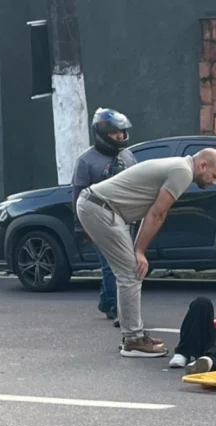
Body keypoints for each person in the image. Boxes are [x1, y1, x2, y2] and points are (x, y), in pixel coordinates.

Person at [76, 148, 216, 357]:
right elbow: (157, 212)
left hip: (99, 207)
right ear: (202, 165)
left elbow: (152, 213)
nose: (214, 182)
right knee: (131, 272)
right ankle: (134, 341)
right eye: (214, 176)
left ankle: (133, 336)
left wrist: (139, 249)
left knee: (128, 272)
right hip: (101, 208)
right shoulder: (182, 171)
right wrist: (139, 251)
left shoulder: (179, 166)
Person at [72, 108, 137, 325]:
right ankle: (115, 307)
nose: (119, 136)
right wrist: (81, 226)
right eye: (114, 133)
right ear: (101, 134)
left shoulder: (127, 156)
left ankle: (106, 300)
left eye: (121, 132)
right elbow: (77, 193)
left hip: (125, 218)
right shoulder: (86, 161)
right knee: (111, 265)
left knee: (124, 264)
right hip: (99, 219)